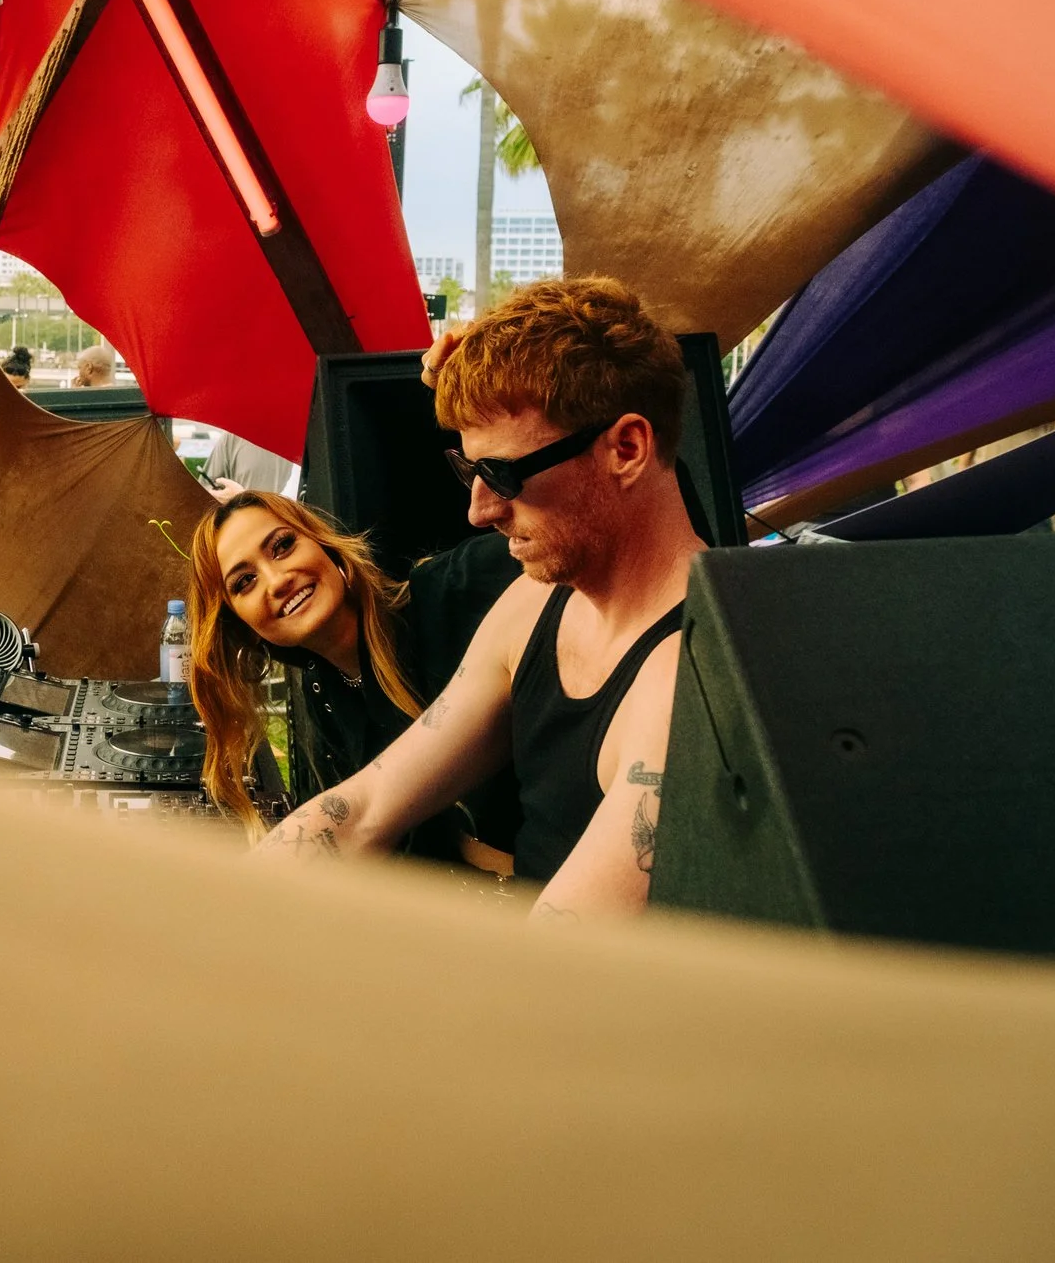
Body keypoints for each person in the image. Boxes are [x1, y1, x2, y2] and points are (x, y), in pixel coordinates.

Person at [261, 278, 703, 922]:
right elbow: (364, 811)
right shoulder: (534, 605)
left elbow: (560, 955)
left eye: (503, 474)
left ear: (627, 448)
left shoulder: (686, 675)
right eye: (470, 472)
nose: (479, 510)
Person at [186, 491, 520, 853]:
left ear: (324, 546)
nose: (277, 580)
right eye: (245, 581)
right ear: (243, 626)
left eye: (282, 546)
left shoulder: (455, 588)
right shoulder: (324, 692)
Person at [202, 430, 296, 499]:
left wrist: (240, 499)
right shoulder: (233, 436)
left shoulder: (303, 441)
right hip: (238, 522)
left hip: (286, 522)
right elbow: (205, 489)